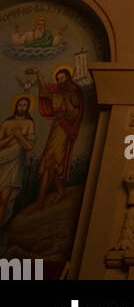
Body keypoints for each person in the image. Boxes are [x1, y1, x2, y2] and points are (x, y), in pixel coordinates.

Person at [26, 66, 83, 210]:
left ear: (68, 77)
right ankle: (61, 191)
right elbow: (45, 91)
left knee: (51, 162)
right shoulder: (58, 92)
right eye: (58, 79)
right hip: (56, 128)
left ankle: (40, 201)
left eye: (62, 78)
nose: (59, 81)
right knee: (50, 163)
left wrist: (67, 100)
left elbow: (75, 113)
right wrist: (39, 73)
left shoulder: (73, 92)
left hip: (64, 129)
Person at [0, 95, 36, 228]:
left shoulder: (29, 123)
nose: (22, 107)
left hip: (15, 164)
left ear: (28, 108)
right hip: (2, 161)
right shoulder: (6, 123)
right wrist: (10, 137)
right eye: (20, 105)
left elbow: (28, 146)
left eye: (24, 105)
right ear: (16, 106)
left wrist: (20, 136)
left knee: (4, 199)